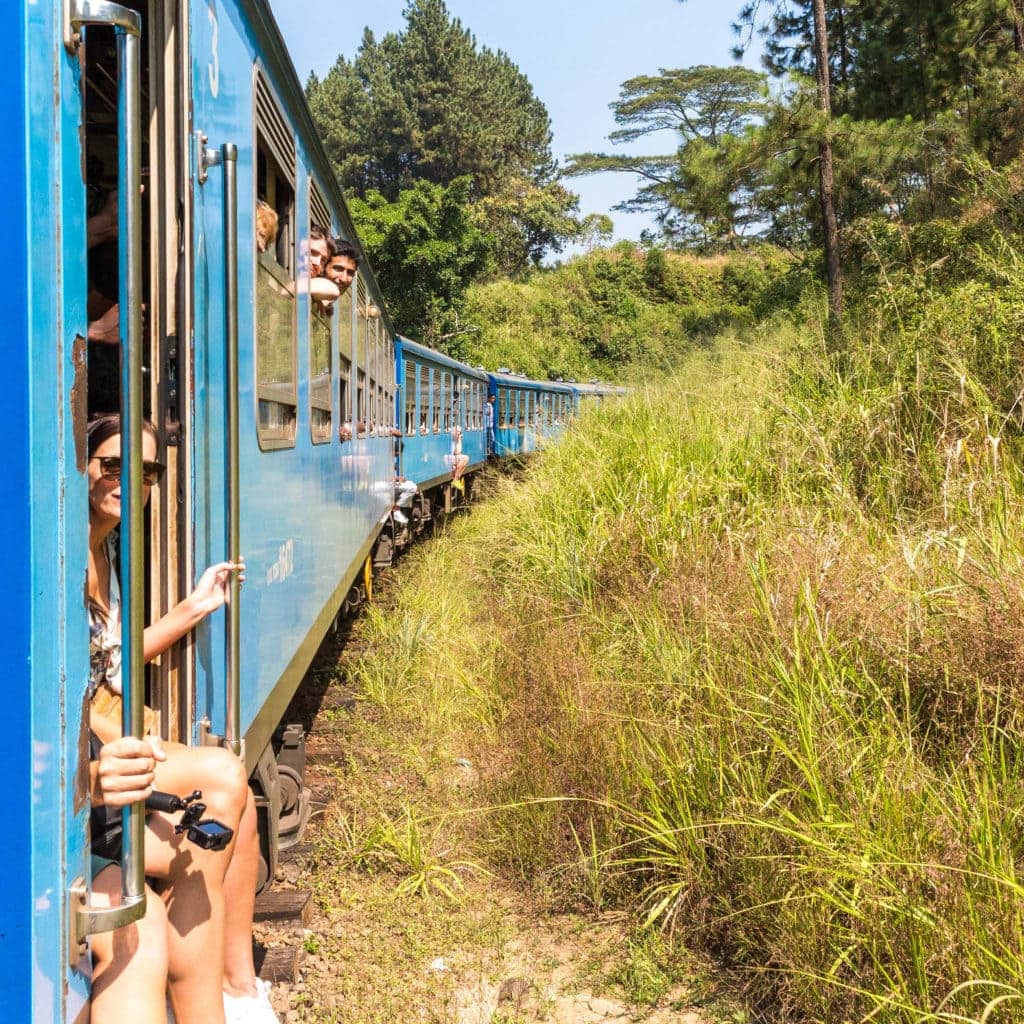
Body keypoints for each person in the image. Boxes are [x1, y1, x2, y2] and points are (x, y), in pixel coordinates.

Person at [86, 414, 277, 1024]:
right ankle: (224, 995)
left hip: (104, 740)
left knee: (232, 821)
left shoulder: (107, 549)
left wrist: (195, 606)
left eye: (145, 471)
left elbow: (112, 659)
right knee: (221, 791)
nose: (128, 480)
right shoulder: (61, 553)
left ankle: (238, 988)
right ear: (81, 465)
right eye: (112, 464)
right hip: (87, 756)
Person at [448, 422, 469, 492]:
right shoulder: (452, 439)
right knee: (464, 459)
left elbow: (458, 452)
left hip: (451, 456)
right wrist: (459, 440)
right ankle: (456, 480)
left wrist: (459, 440)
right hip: (447, 456)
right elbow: (457, 452)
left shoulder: (455, 439)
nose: (458, 434)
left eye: (459, 432)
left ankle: (456, 479)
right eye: (457, 432)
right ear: (453, 431)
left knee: (466, 459)